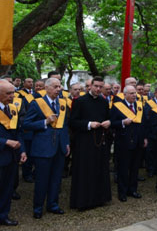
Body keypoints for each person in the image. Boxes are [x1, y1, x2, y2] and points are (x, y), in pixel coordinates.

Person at [23, 78, 70, 219]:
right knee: (42, 180)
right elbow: (26, 124)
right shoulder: (37, 104)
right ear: (47, 88)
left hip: (59, 147)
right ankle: (38, 208)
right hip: (43, 148)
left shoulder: (62, 103)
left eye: (60, 86)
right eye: (55, 87)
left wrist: (66, 142)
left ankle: (53, 205)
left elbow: (65, 125)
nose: (58, 89)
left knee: (56, 179)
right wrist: (45, 122)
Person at [69, 76, 111, 210]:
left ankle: (99, 199)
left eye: (101, 87)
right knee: (85, 171)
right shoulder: (80, 101)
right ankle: (83, 201)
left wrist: (108, 122)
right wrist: (88, 124)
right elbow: (72, 122)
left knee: (99, 169)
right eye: (96, 86)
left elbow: (108, 118)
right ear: (90, 86)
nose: (98, 89)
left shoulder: (104, 102)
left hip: (99, 140)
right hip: (84, 142)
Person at [111, 85, 147, 202]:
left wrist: (145, 137)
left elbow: (144, 123)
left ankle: (133, 190)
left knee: (135, 168)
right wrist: (122, 122)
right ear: (125, 94)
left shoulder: (139, 106)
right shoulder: (118, 106)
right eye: (131, 93)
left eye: (134, 93)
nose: (133, 95)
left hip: (138, 141)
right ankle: (122, 192)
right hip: (124, 141)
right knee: (123, 168)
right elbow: (112, 122)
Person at [0, 79, 27, 226]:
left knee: (7, 189)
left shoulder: (12, 109)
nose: (12, 96)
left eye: (13, 93)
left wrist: (22, 150)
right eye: (8, 93)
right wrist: (5, 142)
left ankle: (3, 215)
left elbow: (18, 133)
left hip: (11, 157)